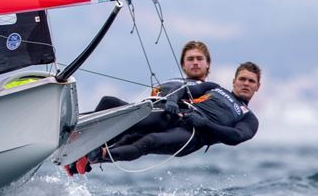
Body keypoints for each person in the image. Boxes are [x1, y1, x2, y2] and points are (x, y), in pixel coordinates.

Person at [68, 62, 261, 173]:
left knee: (148, 141)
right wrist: (172, 100)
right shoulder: (214, 88)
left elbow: (235, 137)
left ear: (257, 87)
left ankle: (97, 156)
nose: (246, 83)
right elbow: (185, 89)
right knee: (111, 103)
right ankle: (76, 136)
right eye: (242, 79)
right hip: (176, 115)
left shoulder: (249, 118)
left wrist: (205, 124)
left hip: (192, 136)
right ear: (234, 81)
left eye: (251, 81)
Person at [66, 41, 213, 174]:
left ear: (208, 64)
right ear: (183, 64)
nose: (195, 63)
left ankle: (82, 152)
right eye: (190, 59)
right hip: (152, 117)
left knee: (134, 138)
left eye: (199, 59)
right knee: (109, 103)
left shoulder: (211, 91)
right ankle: (78, 149)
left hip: (174, 128)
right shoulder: (174, 81)